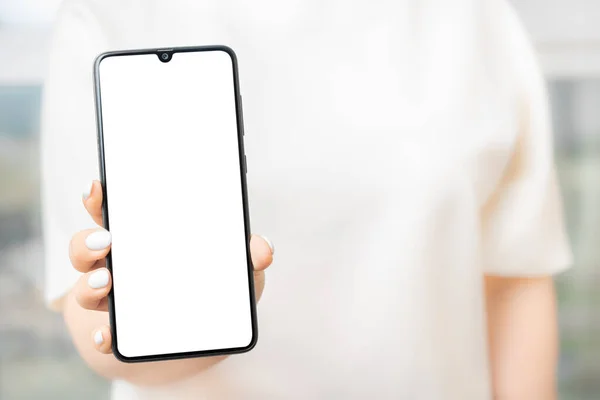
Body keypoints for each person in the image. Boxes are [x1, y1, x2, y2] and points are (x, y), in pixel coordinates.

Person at [40, 0, 573, 398]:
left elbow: (513, 279)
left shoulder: (470, 16)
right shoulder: (107, 14)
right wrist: (193, 323)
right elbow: (97, 332)